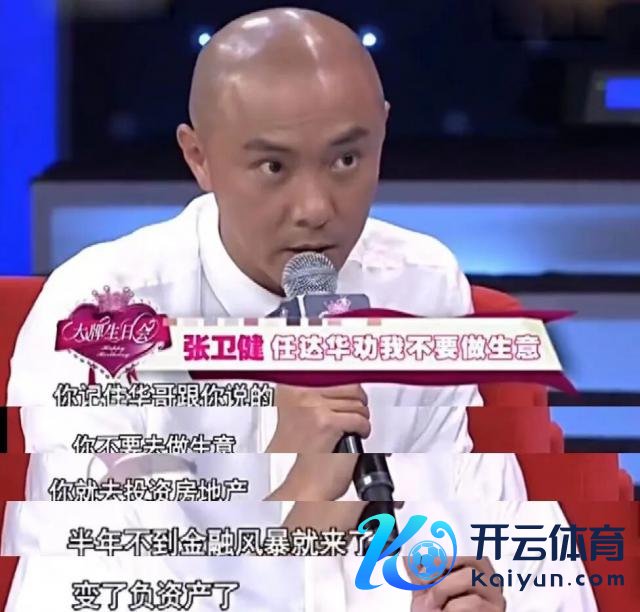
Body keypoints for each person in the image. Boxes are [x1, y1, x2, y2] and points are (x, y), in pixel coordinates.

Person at [2, 8, 597, 612]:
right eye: (273, 167)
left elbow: (478, 515)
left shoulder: (418, 284)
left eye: (346, 161)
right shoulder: (103, 315)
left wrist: (467, 595)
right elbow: (105, 573)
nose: (315, 209)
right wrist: (286, 500)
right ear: (199, 157)